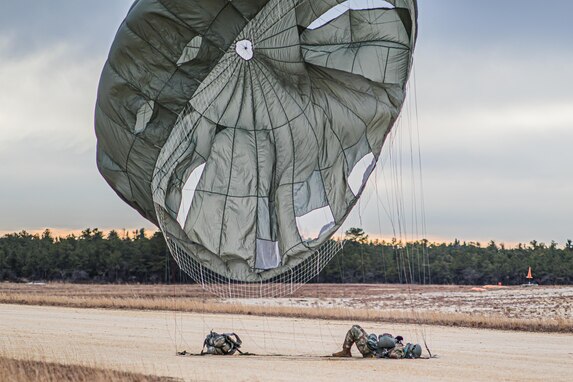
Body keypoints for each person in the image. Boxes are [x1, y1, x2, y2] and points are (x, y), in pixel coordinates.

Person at [332, 325, 422, 359]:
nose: (409, 345)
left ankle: (346, 351)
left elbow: (393, 355)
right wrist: (395, 340)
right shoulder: (401, 347)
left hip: (370, 351)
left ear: (412, 350)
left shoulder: (401, 351)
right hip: (374, 347)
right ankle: (346, 351)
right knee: (357, 327)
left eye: (412, 346)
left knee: (354, 330)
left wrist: (391, 349)